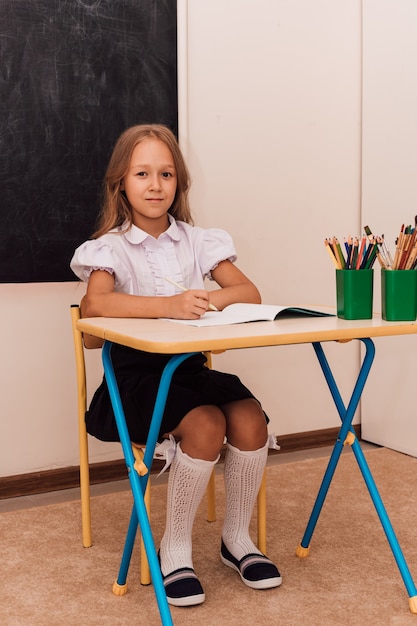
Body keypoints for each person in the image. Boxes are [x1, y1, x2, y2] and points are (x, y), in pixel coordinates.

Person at [70, 124, 281, 607]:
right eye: (142, 173)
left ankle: (236, 540)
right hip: (135, 380)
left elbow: (249, 294)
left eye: (166, 174)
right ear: (120, 182)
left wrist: (202, 300)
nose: (155, 184)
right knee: (206, 423)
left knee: (249, 418)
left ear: (179, 183)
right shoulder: (111, 247)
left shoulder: (197, 240)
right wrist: (168, 303)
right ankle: (176, 548)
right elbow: (95, 306)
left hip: (186, 370)